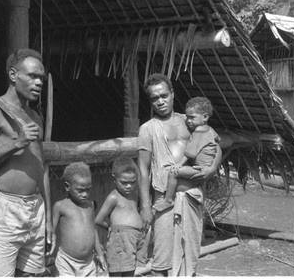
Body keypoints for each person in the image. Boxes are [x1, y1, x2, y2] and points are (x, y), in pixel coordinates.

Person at [0, 48, 52, 277]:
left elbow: (41, 166)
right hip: (4, 209)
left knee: (32, 276)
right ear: (13, 75)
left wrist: (48, 219)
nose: (39, 82)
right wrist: (16, 143)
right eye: (33, 76)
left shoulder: (34, 116)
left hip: (36, 208)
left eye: (41, 78)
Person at [137, 73, 222, 277]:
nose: (160, 101)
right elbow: (142, 169)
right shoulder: (147, 129)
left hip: (191, 195)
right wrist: (146, 206)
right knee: (162, 258)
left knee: (188, 253)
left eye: (164, 95)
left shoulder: (191, 120)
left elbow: (215, 145)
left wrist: (211, 169)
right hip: (163, 197)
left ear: (173, 94)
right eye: (154, 98)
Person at [153, 96, 221, 212]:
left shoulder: (198, 132)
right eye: (187, 117)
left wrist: (179, 164)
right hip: (205, 169)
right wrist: (211, 166)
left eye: (192, 117)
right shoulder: (209, 130)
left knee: (173, 173)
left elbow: (190, 153)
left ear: (205, 117)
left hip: (199, 169)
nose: (188, 120)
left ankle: (168, 200)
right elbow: (217, 141)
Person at [51, 162, 106, 277]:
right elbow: (51, 231)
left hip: (89, 263)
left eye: (88, 190)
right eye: (80, 190)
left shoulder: (90, 205)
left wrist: (100, 254)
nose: (85, 194)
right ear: (67, 186)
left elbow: (93, 230)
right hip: (66, 262)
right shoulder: (60, 206)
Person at [95, 157, 145, 277]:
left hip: (135, 239)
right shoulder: (114, 197)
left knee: (130, 271)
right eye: (124, 182)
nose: (128, 186)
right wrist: (112, 229)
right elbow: (98, 220)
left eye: (132, 182)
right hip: (120, 240)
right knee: (117, 272)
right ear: (114, 179)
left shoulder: (134, 195)